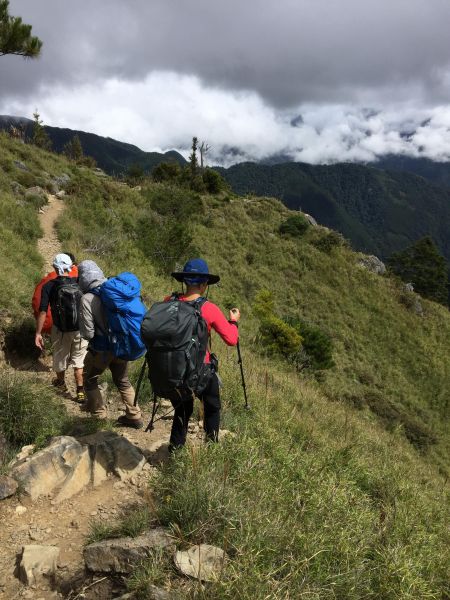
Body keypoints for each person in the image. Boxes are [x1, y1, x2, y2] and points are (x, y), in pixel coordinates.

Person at [167, 258, 240, 450]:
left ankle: (175, 450)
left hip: (172, 368)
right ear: (204, 284)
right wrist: (233, 322)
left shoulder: (169, 302)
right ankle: (211, 446)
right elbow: (232, 340)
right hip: (200, 370)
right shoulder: (209, 308)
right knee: (212, 406)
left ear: (185, 282)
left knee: (182, 408)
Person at [77, 260, 144, 428]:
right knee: (122, 380)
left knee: (90, 379)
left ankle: (98, 416)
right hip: (122, 346)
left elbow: (88, 333)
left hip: (101, 350)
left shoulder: (87, 298)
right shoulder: (117, 293)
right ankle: (134, 415)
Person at [35, 253, 87, 402]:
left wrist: (38, 333)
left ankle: (61, 384)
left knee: (60, 359)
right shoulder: (78, 283)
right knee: (78, 362)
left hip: (60, 330)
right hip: (79, 330)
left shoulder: (49, 286)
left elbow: (43, 310)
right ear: (70, 267)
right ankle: (80, 391)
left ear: (54, 267)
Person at [32, 252, 78, 334]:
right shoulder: (78, 277)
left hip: (45, 324)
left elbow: (40, 307)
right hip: (75, 326)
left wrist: (38, 333)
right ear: (72, 264)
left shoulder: (47, 282)